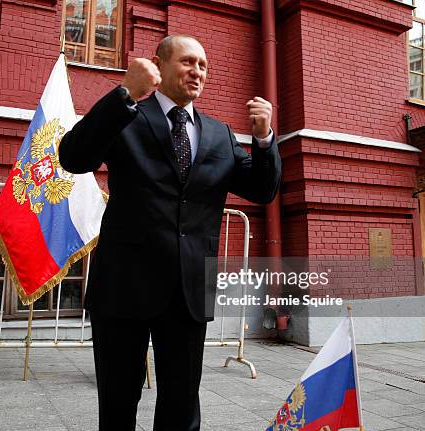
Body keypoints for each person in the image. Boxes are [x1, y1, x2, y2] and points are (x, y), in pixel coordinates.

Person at [59, 35, 281, 431]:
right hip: (124, 285)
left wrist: (264, 138)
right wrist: (124, 92)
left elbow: (262, 189)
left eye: (203, 65)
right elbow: (74, 157)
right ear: (160, 66)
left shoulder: (219, 135)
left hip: (188, 289)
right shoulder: (128, 116)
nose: (197, 71)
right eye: (188, 62)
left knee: (181, 401)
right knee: (117, 398)